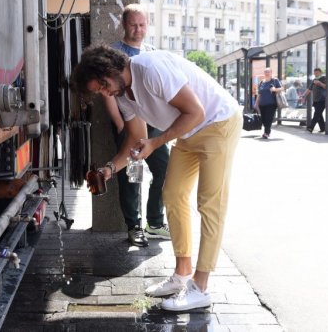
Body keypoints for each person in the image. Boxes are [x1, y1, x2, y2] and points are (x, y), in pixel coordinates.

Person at [71, 45, 242, 311]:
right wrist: (108, 169)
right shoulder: (123, 95)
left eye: (103, 85)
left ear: (111, 68)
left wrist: (157, 141)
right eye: (99, 91)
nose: (105, 93)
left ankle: (201, 287)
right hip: (188, 132)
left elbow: (195, 111)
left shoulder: (150, 70)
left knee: (209, 204)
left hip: (217, 122)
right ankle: (182, 274)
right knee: (172, 195)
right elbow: (133, 139)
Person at [104, 4, 170, 247]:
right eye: (133, 24)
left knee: (165, 168)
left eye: (142, 25)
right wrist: (120, 124)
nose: (138, 29)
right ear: (124, 24)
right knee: (133, 175)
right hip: (128, 123)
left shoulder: (152, 51)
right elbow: (107, 94)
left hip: (153, 125)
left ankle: (154, 221)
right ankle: (134, 226)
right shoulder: (114, 53)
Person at [254, 68, 282, 139]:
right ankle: (266, 131)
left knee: (268, 119)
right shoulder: (262, 82)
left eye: (268, 72)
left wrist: (275, 89)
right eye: (265, 72)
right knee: (263, 119)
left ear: (271, 73)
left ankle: (266, 133)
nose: (267, 73)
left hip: (271, 104)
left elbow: (282, 88)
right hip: (262, 104)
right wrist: (256, 103)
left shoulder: (275, 80)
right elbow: (259, 94)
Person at [302, 68, 327, 133]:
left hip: (322, 100)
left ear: (320, 72)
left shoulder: (324, 78)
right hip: (316, 100)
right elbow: (309, 89)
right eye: (315, 73)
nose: (316, 74)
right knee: (319, 114)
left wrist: (320, 83)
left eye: (317, 73)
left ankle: (311, 127)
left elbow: (327, 87)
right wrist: (304, 96)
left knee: (316, 114)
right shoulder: (314, 80)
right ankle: (323, 128)